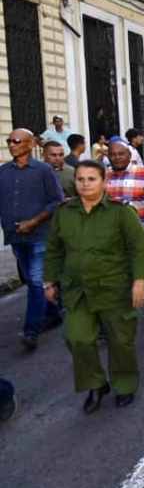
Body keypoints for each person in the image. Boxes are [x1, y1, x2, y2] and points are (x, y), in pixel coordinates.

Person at [43, 160, 144, 412]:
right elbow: (54, 249)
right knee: (76, 338)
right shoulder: (65, 212)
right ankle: (95, 384)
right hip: (77, 290)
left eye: (91, 179)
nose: (85, 184)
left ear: (104, 182)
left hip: (114, 288)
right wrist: (49, 280)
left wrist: (139, 282)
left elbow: (138, 249)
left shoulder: (120, 212)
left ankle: (124, 384)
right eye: (80, 179)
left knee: (120, 341)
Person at [1, 128, 65, 349]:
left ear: (29, 144)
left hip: (39, 235)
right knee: (30, 280)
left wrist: (34, 221)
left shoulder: (44, 170)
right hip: (15, 237)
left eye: (16, 140)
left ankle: (31, 331)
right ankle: (53, 312)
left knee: (37, 282)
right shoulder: (3, 172)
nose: (11, 144)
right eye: (9, 140)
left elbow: (57, 201)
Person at [105, 138, 144, 326]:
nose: (117, 157)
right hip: (110, 237)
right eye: (113, 154)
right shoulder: (103, 177)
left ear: (129, 155)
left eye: (121, 153)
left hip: (140, 233)